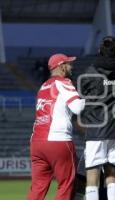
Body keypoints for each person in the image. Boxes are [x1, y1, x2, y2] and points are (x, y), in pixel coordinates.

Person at [79, 36, 115, 200]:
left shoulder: (89, 71)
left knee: (92, 176)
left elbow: (83, 97)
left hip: (96, 128)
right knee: (111, 174)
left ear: (99, 49)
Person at [28, 53, 85, 200]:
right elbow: (77, 107)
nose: (71, 66)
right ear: (61, 66)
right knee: (66, 184)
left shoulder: (43, 86)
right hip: (58, 140)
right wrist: (91, 98)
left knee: (37, 187)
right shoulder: (64, 82)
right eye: (68, 63)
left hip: (37, 142)